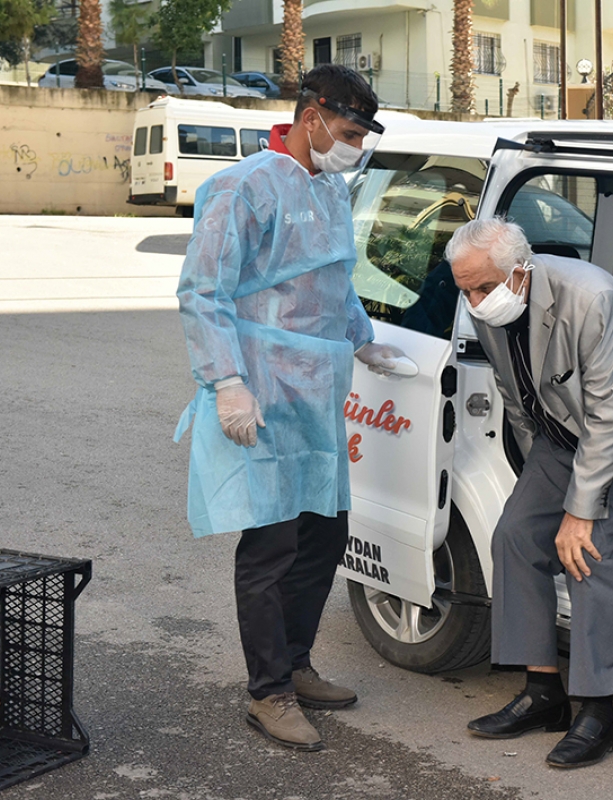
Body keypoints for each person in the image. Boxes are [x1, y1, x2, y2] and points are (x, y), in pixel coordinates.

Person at [173, 64, 400, 752]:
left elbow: (336, 279)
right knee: (270, 544)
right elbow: (203, 291)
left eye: (361, 137)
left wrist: (363, 338)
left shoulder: (329, 189)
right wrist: (226, 380)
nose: (354, 148)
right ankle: (268, 693)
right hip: (262, 390)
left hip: (318, 391)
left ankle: (297, 664)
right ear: (312, 117)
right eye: (349, 133)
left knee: (323, 536)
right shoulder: (245, 187)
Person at [447, 218, 613, 769]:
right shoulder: (489, 304)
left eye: (483, 287)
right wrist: (540, 477)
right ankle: (543, 693)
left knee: (586, 555)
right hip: (558, 439)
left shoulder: (592, 298)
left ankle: (599, 711)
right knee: (514, 537)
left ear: (520, 272)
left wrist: (578, 510)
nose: (474, 302)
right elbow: (514, 393)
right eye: (465, 291)